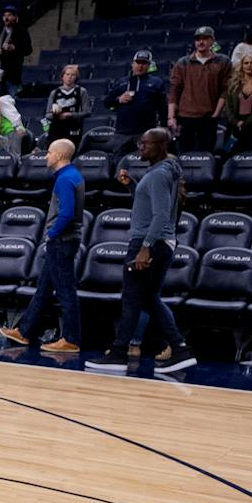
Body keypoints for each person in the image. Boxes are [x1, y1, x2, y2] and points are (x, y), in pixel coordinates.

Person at [87, 129, 194, 373]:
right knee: (148, 299)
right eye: (140, 143)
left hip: (150, 242)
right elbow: (150, 206)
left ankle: (119, 352)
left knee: (132, 298)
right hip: (159, 242)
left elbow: (160, 217)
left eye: (145, 144)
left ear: (161, 146)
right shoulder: (162, 172)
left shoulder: (159, 174)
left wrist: (145, 248)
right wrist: (132, 186)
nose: (140, 148)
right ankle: (179, 349)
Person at [0, 139, 85, 353]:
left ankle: (71, 339)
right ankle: (24, 332)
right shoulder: (72, 175)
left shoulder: (65, 179)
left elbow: (66, 213)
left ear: (60, 156)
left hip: (62, 241)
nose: (47, 156)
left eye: (50, 152)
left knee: (65, 292)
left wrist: (51, 234)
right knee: (44, 289)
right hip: (64, 241)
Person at [167, 27, 231, 154]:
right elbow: (174, 90)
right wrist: (171, 117)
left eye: (205, 39)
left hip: (209, 118)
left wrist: (216, 114)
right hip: (185, 117)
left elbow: (226, 89)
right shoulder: (183, 62)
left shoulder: (223, 61)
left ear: (212, 41)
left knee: (206, 155)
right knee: (183, 155)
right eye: (197, 39)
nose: (201, 42)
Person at [105, 51, 167, 155]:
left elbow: (162, 107)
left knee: (144, 163)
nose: (140, 66)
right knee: (119, 164)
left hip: (145, 132)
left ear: (149, 65)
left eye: (144, 63)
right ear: (132, 64)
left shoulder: (157, 82)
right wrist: (118, 100)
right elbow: (107, 103)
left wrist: (164, 125)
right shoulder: (120, 82)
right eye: (138, 62)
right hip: (122, 133)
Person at [46, 64, 87, 150]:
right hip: (56, 129)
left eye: (73, 75)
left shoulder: (81, 91)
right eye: (67, 74)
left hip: (74, 128)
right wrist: (55, 113)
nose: (69, 77)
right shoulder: (54, 93)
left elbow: (87, 112)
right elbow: (47, 115)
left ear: (76, 77)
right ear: (62, 76)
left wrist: (70, 114)